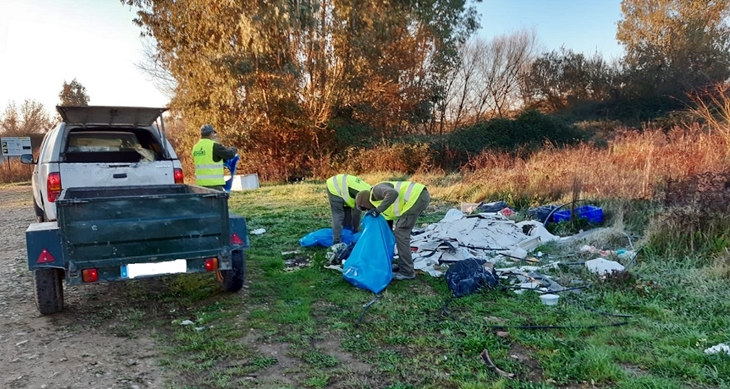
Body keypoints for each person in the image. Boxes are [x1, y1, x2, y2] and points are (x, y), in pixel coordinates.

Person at [355, 181, 430, 281]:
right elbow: (388, 221)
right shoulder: (381, 202)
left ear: (365, 203)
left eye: (366, 209)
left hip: (416, 197)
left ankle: (407, 272)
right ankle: (400, 264)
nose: (368, 210)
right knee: (398, 233)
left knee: (401, 233)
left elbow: (393, 193)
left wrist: (378, 210)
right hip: (417, 198)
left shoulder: (376, 191)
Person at [326, 174, 371, 245]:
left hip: (345, 189)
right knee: (338, 215)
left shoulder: (369, 190)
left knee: (347, 214)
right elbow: (356, 215)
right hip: (334, 186)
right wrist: (356, 232)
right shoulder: (363, 197)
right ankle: (336, 242)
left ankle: (346, 233)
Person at [191, 124, 238, 191]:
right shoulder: (214, 146)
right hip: (214, 185)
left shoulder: (195, 147)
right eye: (213, 133)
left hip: (200, 185)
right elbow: (229, 155)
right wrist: (233, 149)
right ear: (211, 133)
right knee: (219, 201)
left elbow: (207, 159)